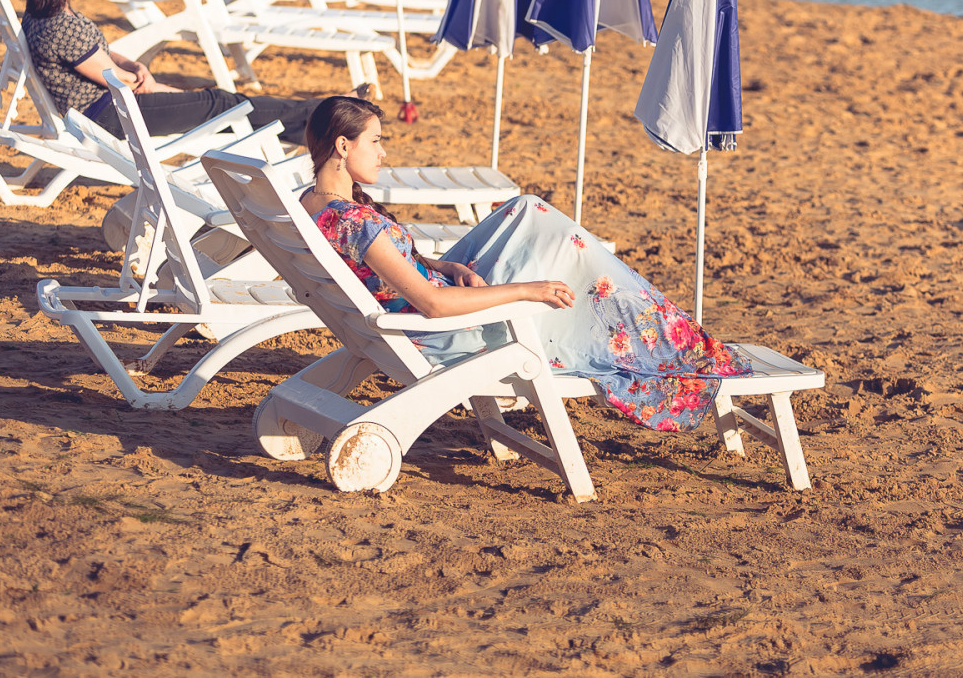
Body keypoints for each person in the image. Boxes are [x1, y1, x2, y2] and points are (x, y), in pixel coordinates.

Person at [300, 95, 752, 432]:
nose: (384, 153)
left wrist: (442, 265)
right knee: (567, 250)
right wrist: (527, 291)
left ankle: (659, 327)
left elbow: (386, 265)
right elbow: (433, 306)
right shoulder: (355, 220)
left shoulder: (315, 204)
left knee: (527, 210)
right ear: (343, 145)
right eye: (376, 141)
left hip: (410, 311)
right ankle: (672, 340)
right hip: (435, 332)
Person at [18, 0, 354, 144]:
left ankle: (319, 116)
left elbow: (99, 55)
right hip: (115, 117)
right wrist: (138, 78)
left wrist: (135, 66)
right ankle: (322, 118)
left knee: (219, 103)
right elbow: (112, 77)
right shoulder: (61, 26)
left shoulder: (41, 14)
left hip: (113, 107)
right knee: (220, 104)